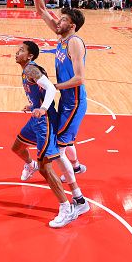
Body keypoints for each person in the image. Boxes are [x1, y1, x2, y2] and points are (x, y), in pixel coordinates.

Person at [12, 41, 88, 227]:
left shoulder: (31, 69)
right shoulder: (27, 70)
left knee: (46, 167)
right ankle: (30, 165)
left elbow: (51, 89)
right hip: (36, 118)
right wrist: (33, 105)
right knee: (17, 147)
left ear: (29, 56)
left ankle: (66, 208)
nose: (17, 52)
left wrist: (43, 108)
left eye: (21, 50)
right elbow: (40, 90)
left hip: (44, 121)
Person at [29, 0, 88, 181]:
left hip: (74, 101)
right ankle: (77, 166)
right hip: (66, 98)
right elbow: (41, 10)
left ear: (71, 25)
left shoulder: (74, 42)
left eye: (63, 20)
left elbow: (80, 78)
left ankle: (71, 185)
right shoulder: (61, 36)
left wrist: (55, 87)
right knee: (66, 138)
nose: (58, 21)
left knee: (59, 142)